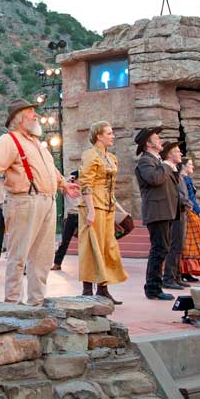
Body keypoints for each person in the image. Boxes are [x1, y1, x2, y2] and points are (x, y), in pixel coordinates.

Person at [0, 99, 81, 306]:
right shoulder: (9, 140)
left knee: (42, 256)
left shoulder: (36, 143)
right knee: (19, 255)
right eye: (31, 112)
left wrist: (63, 184)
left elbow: (49, 168)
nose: (36, 115)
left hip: (47, 201)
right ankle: (13, 302)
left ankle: (36, 301)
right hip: (24, 201)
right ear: (20, 118)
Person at [76, 122, 128, 303]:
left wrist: (119, 209)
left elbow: (111, 187)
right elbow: (86, 183)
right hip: (93, 205)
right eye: (109, 133)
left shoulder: (111, 158)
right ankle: (87, 290)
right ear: (99, 136)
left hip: (107, 206)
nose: (113, 136)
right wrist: (90, 210)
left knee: (107, 246)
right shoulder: (90, 155)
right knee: (91, 245)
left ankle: (103, 289)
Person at [134, 128, 180, 301]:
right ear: (148, 143)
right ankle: (153, 288)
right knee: (158, 249)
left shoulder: (158, 160)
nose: (160, 140)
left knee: (163, 249)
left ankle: (155, 286)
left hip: (166, 210)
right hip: (157, 211)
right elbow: (154, 179)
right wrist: (167, 165)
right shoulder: (145, 160)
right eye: (156, 138)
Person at [160, 141, 191, 291]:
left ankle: (176, 275)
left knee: (179, 246)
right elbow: (173, 192)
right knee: (174, 245)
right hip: (175, 212)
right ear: (170, 154)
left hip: (182, 211)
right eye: (178, 151)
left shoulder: (175, 171)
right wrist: (185, 201)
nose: (181, 154)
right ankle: (169, 277)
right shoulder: (167, 170)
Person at [52, 170, 80, 271]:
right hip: (70, 216)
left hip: (82, 216)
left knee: (87, 242)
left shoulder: (84, 188)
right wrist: (69, 179)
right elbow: (60, 184)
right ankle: (57, 263)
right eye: (76, 179)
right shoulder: (67, 189)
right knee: (64, 241)